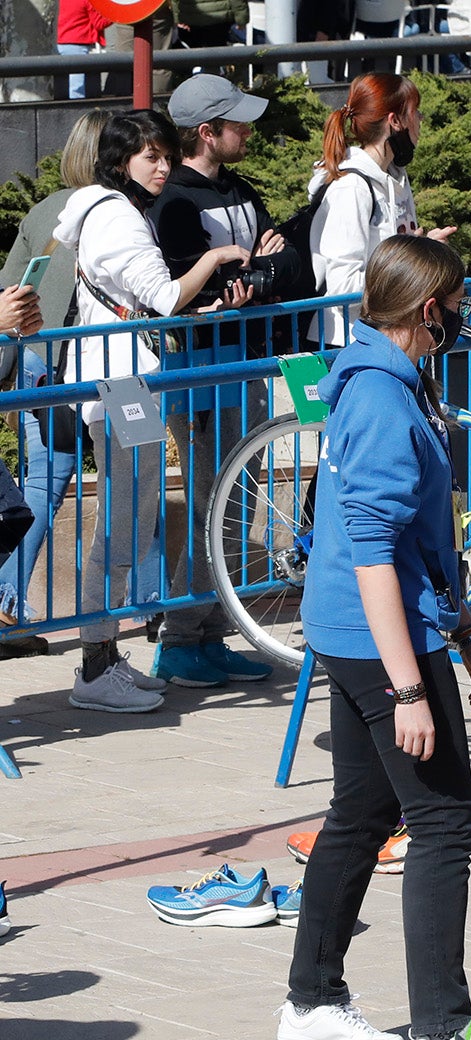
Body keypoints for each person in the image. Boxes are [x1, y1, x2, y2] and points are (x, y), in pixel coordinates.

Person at [275, 234, 471, 1040]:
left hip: (370, 628)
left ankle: (311, 1004)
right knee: (443, 821)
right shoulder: (379, 397)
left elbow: (418, 543)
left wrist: (468, 640)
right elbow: (374, 549)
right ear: (424, 311)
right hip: (378, 638)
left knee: (361, 812)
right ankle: (441, 1034)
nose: (461, 313)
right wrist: (410, 685)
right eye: (453, 300)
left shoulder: (383, 378)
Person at [53, 110, 253, 713]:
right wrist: (215, 262)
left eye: (166, 154)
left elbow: (140, 303)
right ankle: (94, 665)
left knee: (130, 517)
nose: (163, 166)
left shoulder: (104, 209)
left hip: (118, 377)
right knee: (123, 522)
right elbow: (163, 296)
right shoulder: (117, 216)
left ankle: (105, 655)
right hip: (117, 383)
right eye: (150, 157)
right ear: (120, 162)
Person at [145, 74, 302, 689]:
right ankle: (183, 639)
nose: (248, 130)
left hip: (246, 359)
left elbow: (284, 256)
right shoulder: (175, 201)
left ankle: (208, 635)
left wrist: (260, 273)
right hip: (205, 367)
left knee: (235, 501)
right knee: (216, 502)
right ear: (207, 133)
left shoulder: (238, 187)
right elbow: (185, 285)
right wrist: (247, 272)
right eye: (237, 122)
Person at [0, 110, 113, 650]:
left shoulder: (44, 210)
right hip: (82, 359)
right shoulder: (115, 210)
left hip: (34, 357)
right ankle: (4, 601)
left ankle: (7, 600)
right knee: (118, 476)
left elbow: (9, 287)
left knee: (41, 482)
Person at [307, 72, 456, 349]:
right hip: (348, 344)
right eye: (415, 112)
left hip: (387, 338)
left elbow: (391, 256)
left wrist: (422, 250)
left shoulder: (395, 177)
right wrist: (411, 266)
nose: (420, 120)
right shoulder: (351, 186)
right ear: (395, 121)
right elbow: (341, 286)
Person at [55, 0, 111, 99]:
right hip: (79, 44)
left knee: (72, 86)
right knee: (78, 88)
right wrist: (117, 15)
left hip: (65, 43)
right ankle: (79, 112)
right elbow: (99, 23)